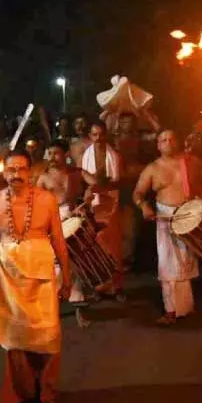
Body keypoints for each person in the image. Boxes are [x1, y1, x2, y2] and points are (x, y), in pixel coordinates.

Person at [0, 151, 72, 403]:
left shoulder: (47, 200)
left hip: (40, 272)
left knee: (48, 335)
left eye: (22, 169)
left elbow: (59, 241)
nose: (16, 175)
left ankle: (49, 397)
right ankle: (25, 395)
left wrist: (69, 277)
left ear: (31, 172)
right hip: (5, 275)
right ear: (4, 173)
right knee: (14, 338)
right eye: (11, 170)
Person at [133, 129, 202, 325]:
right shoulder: (152, 168)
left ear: (177, 142)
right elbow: (137, 193)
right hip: (165, 219)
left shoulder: (191, 162)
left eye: (171, 138)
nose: (167, 142)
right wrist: (143, 206)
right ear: (158, 145)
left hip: (190, 218)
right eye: (163, 140)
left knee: (186, 263)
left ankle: (185, 308)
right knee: (168, 265)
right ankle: (171, 310)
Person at [37, 141, 90, 327]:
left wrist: (88, 195)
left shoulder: (75, 173)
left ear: (65, 154)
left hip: (72, 215)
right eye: (49, 152)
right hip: (52, 219)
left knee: (76, 263)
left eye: (56, 153)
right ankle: (52, 309)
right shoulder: (43, 178)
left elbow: (95, 183)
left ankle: (79, 310)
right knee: (54, 265)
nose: (52, 157)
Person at [81, 121, 125, 300]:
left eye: (101, 134)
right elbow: (83, 178)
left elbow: (119, 181)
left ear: (105, 135)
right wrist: (94, 186)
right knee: (95, 247)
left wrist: (103, 185)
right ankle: (98, 287)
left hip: (111, 204)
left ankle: (116, 287)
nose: (98, 138)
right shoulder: (85, 156)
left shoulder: (115, 156)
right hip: (94, 205)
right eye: (95, 135)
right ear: (90, 136)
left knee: (113, 247)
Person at [115, 112, 159, 272]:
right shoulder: (114, 142)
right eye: (123, 122)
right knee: (120, 227)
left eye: (130, 122)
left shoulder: (141, 141)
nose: (127, 125)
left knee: (134, 226)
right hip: (118, 189)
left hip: (138, 187)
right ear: (119, 124)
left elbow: (152, 159)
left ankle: (131, 261)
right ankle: (122, 261)